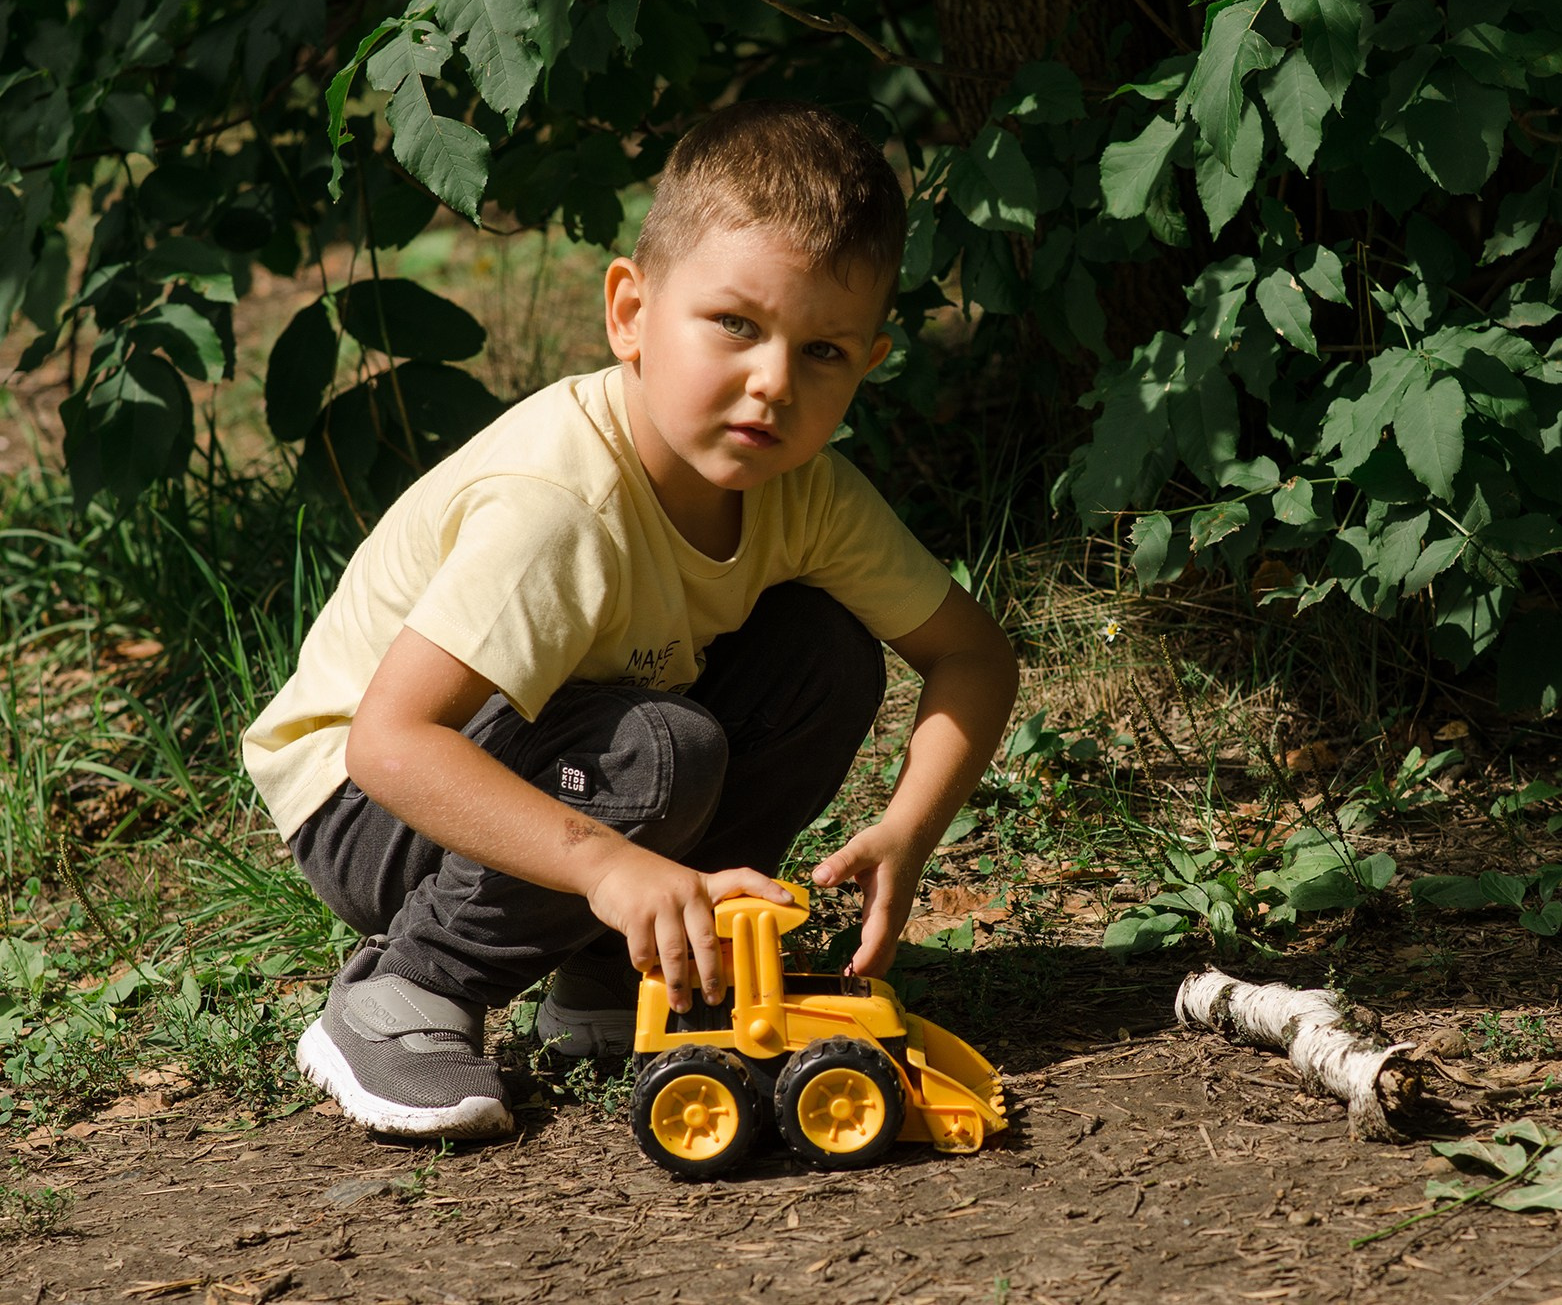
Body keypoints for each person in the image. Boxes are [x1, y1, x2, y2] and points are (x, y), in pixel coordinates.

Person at [242, 99, 1019, 1140]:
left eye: (822, 351)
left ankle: (623, 977)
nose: (772, 382)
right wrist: (610, 864)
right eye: (734, 324)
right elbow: (390, 744)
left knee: (825, 655)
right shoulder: (562, 499)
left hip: (552, 751)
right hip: (372, 804)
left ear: (867, 363)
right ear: (629, 312)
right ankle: (408, 992)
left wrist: (908, 829)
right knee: (662, 749)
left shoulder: (805, 492)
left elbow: (969, 653)